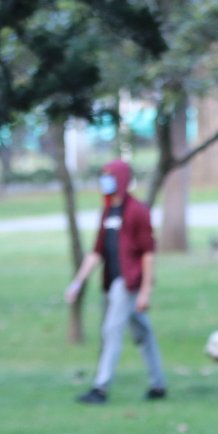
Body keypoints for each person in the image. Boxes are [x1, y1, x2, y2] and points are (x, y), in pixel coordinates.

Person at [64, 159, 167, 404]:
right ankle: (158, 384)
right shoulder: (109, 210)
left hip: (128, 283)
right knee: (143, 333)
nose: (104, 182)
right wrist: (77, 282)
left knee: (111, 330)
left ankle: (101, 387)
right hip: (112, 282)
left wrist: (145, 291)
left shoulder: (137, 211)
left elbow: (148, 254)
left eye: (109, 177)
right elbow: (96, 251)